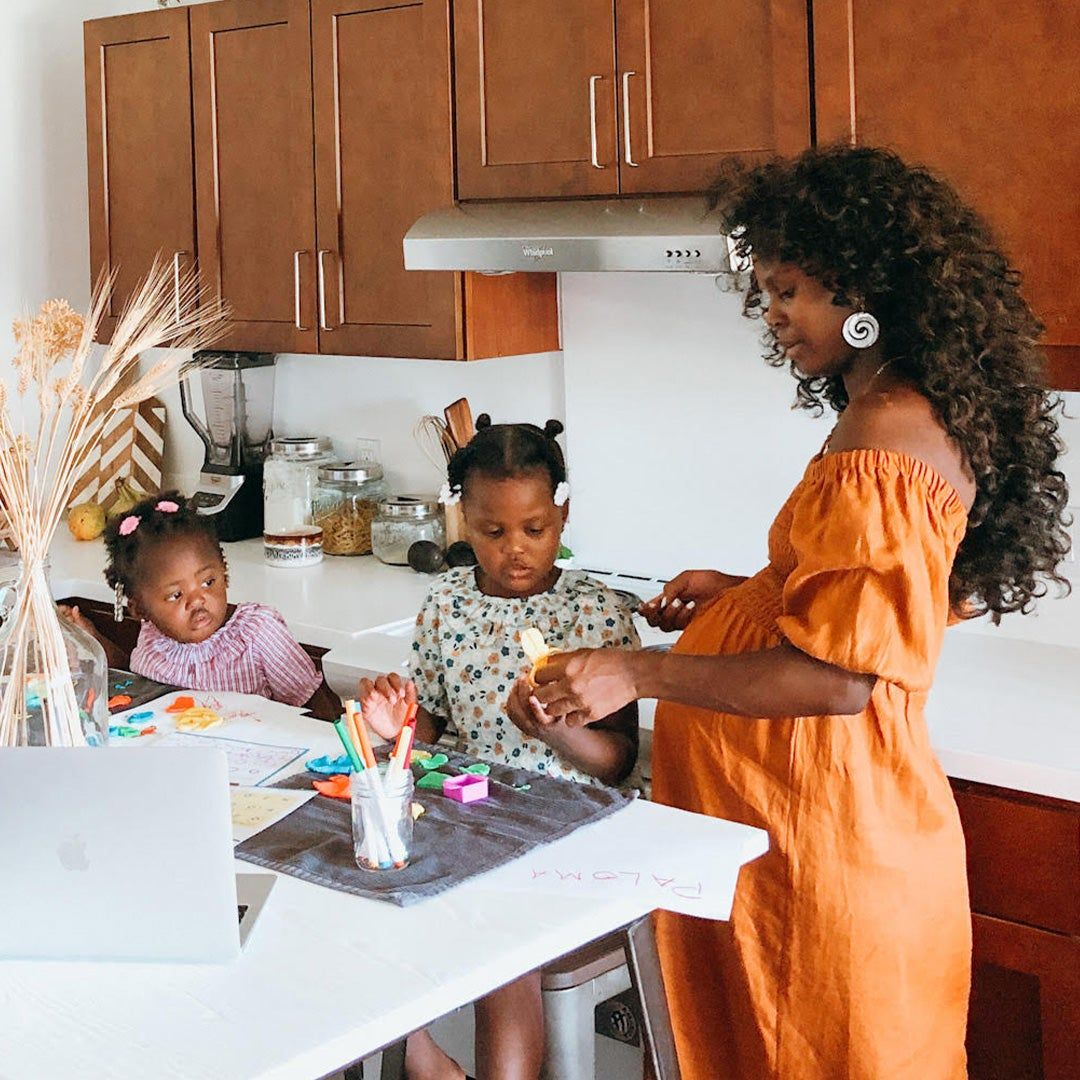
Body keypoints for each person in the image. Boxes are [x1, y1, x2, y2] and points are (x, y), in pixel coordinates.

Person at [524, 145, 1072, 1078]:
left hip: (827, 846)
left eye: (788, 291)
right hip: (800, 832)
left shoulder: (886, 435)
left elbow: (841, 677)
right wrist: (751, 593)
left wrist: (636, 670)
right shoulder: (900, 413)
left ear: (863, 292)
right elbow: (888, 599)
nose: (772, 317)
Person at [358, 416, 640, 1080]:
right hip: (464, 807)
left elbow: (617, 763)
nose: (516, 550)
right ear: (463, 521)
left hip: (563, 823)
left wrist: (556, 730)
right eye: (493, 531)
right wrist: (395, 722)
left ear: (561, 518)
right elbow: (428, 730)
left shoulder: (596, 614)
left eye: (534, 530)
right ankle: (427, 1062)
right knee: (371, 897)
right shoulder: (446, 604)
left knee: (498, 946)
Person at [64, 491, 339, 716]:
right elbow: (134, 679)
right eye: (176, 595)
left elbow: (316, 704)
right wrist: (90, 640)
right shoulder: (153, 635)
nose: (197, 599)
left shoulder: (257, 633)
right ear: (140, 609)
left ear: (224, 573)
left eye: (208, 582)